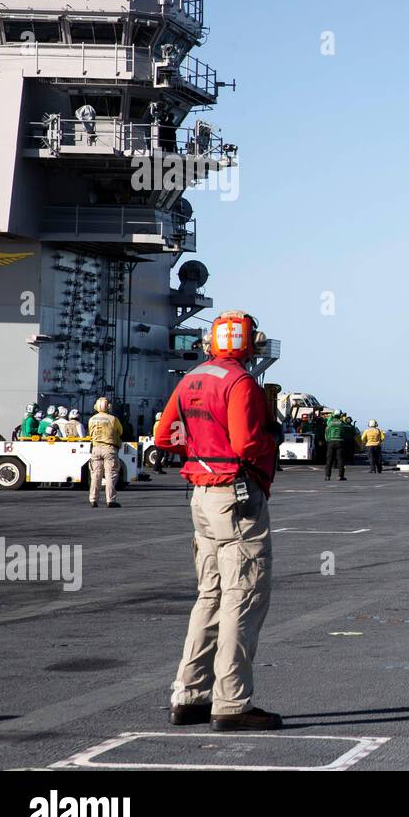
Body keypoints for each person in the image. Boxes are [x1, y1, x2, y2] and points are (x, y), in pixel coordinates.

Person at [155, 309, 281, 731]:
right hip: (236, 497)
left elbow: (163, 437)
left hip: (201, 495)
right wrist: (271, 434)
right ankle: (231, 704)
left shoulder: (191, 378)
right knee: (242, 597)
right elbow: (247, 444)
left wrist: (202, 450)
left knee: (209, 596)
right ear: (248, 344)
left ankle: (189, 696)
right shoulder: (241, 382)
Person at [86, 397, 123, 508]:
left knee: (95, 475)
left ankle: (93, 499)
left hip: (96, 448)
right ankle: (110, 500)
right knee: (110, 475)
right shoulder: (113, 419)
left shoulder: (91, 419)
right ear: (108, 407)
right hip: (109, 449)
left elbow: (89, 432)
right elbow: (120, 431)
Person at [323, 410, 348, 481]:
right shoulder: (341, 423)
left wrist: (328, 440)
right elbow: (344, 432)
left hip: (331, 442)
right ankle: (340, 476)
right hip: (340, 441)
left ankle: (327, 476)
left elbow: (327, 431)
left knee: (329, 460)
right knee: (340, 460)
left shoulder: (330, 423)